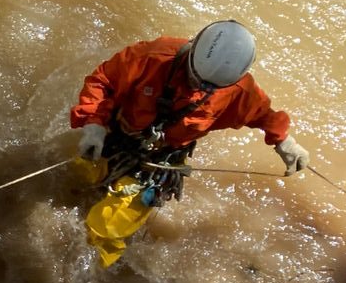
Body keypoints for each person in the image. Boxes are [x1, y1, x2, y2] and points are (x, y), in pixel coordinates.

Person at [71, 19, 309, 195]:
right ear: (192, 49)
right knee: (78, 180)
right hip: (116, 133)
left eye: (210, 86)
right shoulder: (151, 57)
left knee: (109, 226)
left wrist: (284, 142)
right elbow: (103, 80)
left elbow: (263, 115)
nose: (200, 87)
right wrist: (94, 125)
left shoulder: (239, 92)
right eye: (196, 78)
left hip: (162, 156)